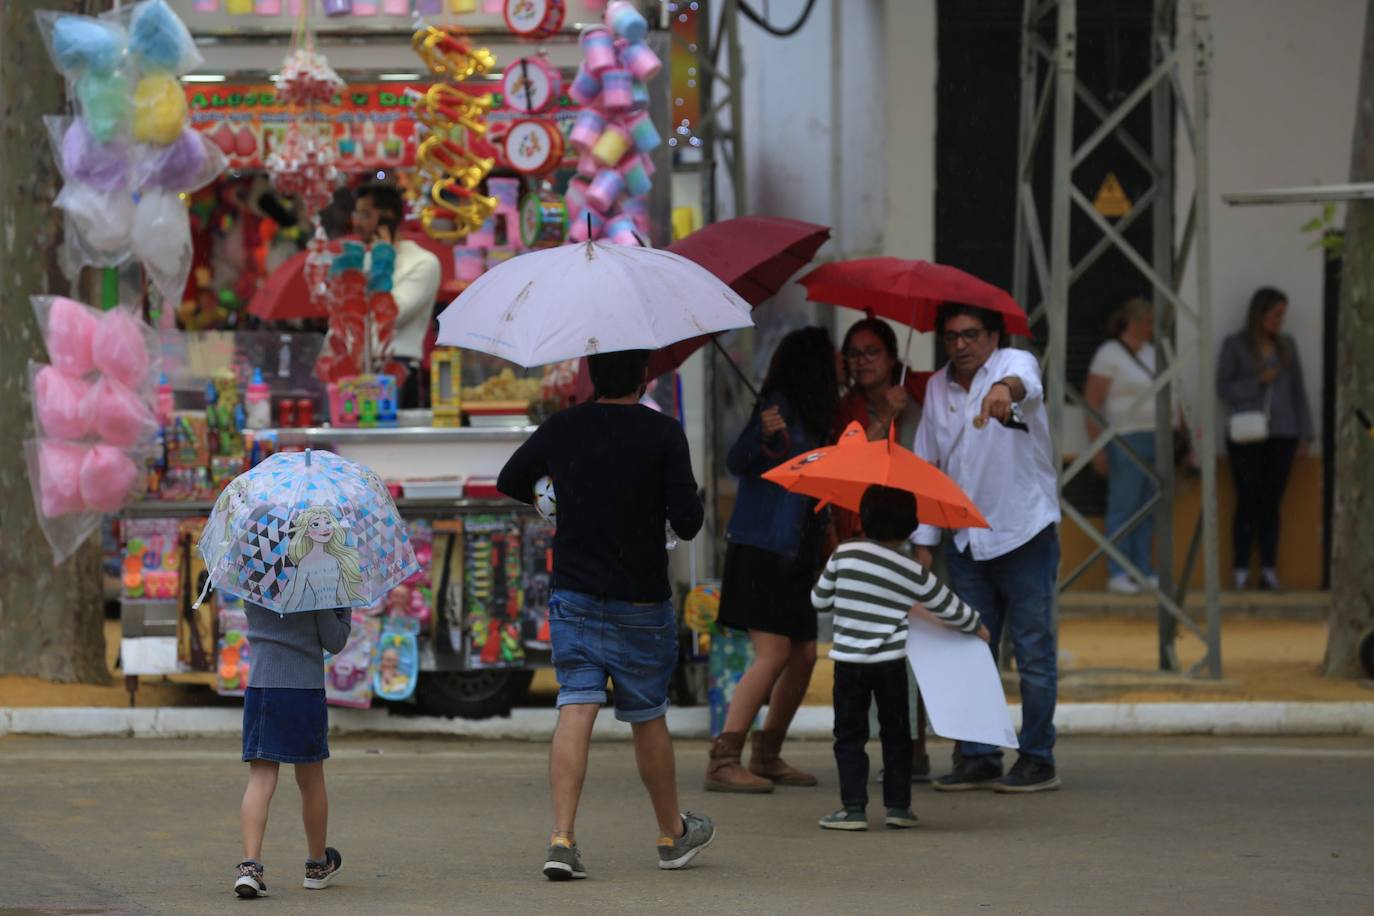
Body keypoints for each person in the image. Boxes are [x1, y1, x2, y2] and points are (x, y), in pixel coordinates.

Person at [496, 348, 714, 881]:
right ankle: (671, 835)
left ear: (592, 376)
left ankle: (562, 839)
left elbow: (510, 479)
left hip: (575, 594)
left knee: (576, 706)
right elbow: (687, 524)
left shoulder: (564, 426)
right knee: (647, 714)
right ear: (644, 376)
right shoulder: (664, 434)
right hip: (641, 600)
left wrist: (552, 494)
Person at [912, 303, 1062, 793]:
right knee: (971, 651)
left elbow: (1025, 384)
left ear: (993, 336)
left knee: (1034, 650)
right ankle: (978, 756)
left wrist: (1002, 392)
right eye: (951, 336)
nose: (960, 345)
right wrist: (925, 542)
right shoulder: (937, 387)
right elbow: (927, 468)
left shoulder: (1015, 365)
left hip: (1024, 532)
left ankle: (1038, 757)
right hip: (966, 541)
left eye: (971, 334)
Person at [705, 326, 839, 794]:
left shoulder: (821, 414)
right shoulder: (777, 405)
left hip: (796, 552)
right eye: (833, 358)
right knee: (775, 652)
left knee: (803, 654)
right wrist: (763, 434)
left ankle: (768, 752)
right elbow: (737, 463)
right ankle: (724, 758)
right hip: (762, 545)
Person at [811, 484, 989, 831]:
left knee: (849, 735)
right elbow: (949, 606)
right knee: (897, 735)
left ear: (863, 519)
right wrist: (977, 626)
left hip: (849, 665)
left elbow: (819, 602)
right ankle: (898, 807)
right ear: (912, 526)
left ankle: (852, 809)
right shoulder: (911, 570)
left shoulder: (844, 554)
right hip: (890, 665)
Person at [833, 317, 936, 780]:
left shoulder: (921, 392)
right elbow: (846, 465)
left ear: (893, 356)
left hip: (924, 533)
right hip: (868, 542)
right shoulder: (849, 408)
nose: (862, 361)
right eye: (854, 353)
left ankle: (917, 747)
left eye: (872, 351)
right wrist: (883, 420)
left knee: (922, 647)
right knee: (878, 654)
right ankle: (892, 749)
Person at [235, 602, 351, 897]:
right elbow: (334, 641)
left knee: (260, 780)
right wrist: (339, 608)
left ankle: (250, 869)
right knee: (311, 781)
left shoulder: (256, 570)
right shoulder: (322, 578)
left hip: (262, 687)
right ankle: (317, 865)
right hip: (304, 691)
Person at [1217, 286, 1314, 591]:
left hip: (1283, 432)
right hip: (1247, 432)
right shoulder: (1235, 345)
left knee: (1272, 502)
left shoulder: (1287, 346)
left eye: (1282, 316)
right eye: (1275, 315)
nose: (1279, 321)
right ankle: (1241, 568)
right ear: (1259, 314)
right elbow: (1224, 388)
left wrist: (1305, 433)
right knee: (1247, 499)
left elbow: (1298, 391)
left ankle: (1269, 568)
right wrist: (1258, 382)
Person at [1083, 297, 1159, 594]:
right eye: (1149, 321)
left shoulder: (1154, 353)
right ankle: (1118, 570)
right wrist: (1098, 446)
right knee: (1124, 506)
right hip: (1125, 437)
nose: (1152, 328)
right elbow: (1092, 401)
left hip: (1155, 436)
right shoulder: (1110, 354)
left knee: (1148, 506)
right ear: (1134, 322)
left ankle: (1143, 568)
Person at [351, 183, 441, 408]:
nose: (357, 222)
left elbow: (391, 314)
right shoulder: (365, 259)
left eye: (365, 214)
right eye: (356, 213)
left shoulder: (423, 263)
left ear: (388, 217)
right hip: (357, 370)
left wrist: (383, 265)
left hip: (396, 368)